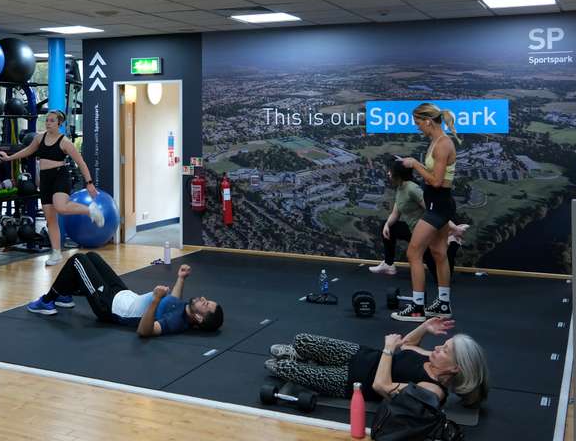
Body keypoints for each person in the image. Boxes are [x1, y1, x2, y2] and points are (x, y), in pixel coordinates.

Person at [265, 317, 489, 408]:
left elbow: (381, 386)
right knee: (301, 340)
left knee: (282, 367)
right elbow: (408, 345)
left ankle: (298, 362)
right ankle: (302, 355)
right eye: (443, 344)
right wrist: (424, 327)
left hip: (350, 383)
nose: (438, 348)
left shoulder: (432, 391)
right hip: (358, 355)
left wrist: (389, 349)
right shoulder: (432, 358)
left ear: (455, 368)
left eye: (445, 350)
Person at [26, 252, 224, 336]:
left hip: (108, 306)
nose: (203, 299)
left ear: (199, 318)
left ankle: (47, 301)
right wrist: (181, 279)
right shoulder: (184, 312)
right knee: (92, 257)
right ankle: (62, 293)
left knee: (78, 260)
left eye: (206, 305)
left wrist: (156, 300)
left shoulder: (175, 323)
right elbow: (173, 301)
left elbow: (144, 331)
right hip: (123, 293)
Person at [0, 110, 101, 266]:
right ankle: (56, 253)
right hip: (45, 179)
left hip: (60, 176)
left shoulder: (65, 142)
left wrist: (89, 183)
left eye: (52, 120)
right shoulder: (39, 138)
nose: (48, 123)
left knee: (61, 207)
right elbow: (27, 151)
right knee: (51, 219)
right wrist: (9, 158)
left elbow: (81, 163)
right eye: (47, 120)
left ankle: (90, 210)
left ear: (59, 123)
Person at [393, 103, 459, 321]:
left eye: (418, 123)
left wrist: (414, 164)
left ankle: (417, 307)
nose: (417, 127)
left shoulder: (443, 144)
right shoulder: (436, 141)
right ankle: (443, 304)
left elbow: (437, 182)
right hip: (436, 204)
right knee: (439, 253)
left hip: (438, 205)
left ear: (428, 121)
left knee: (413, 253)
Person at [370, 158, 470, 279]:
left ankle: (453, 244)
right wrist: (387, 225)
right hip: (412, 230)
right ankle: (388, 265)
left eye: (390, 171)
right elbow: (395, 213)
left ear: (398, 174)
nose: (388, 173)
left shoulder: (412, 189)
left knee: (441, 278)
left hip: (425, 233)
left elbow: (434, 212)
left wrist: (454, 228)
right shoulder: (400, 188)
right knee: (389, 227)